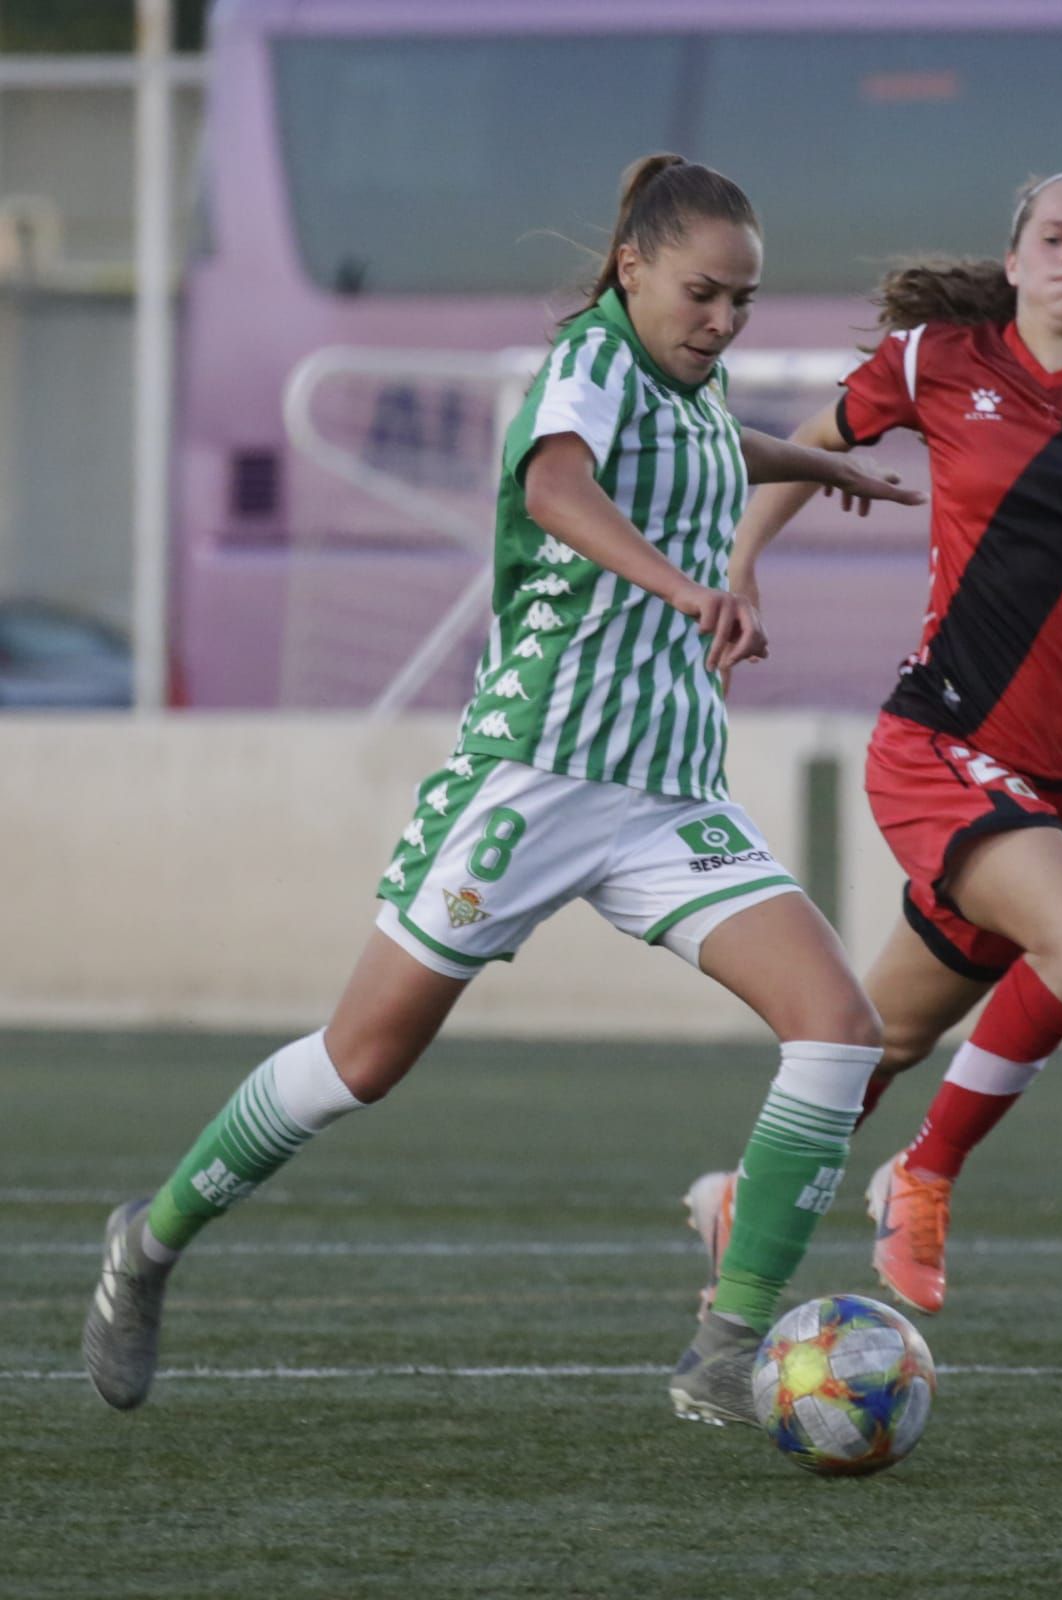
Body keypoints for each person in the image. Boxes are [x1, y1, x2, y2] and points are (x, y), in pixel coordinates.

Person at [81, 153, 924, 1428]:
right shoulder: (589, 360)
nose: (723, 320)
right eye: (703, 293)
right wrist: (687, 588)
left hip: (667, 789)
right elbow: (555, 485)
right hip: (534, 776)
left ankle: (724, 1345)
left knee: (838, 1026)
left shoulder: (692, 379)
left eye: (743, 301)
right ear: (632, 268)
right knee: (361, 1060)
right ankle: (149, 1240)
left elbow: (699, 447)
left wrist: (820, 468)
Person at [685, 170, 1062, 1315]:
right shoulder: (939, 360)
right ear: (1013, 262)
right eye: (1051, 236)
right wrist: (741, 563)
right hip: (941, 740)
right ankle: (924, 1172)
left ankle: (740, 1205)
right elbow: (808, 439)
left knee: (874, 1039)